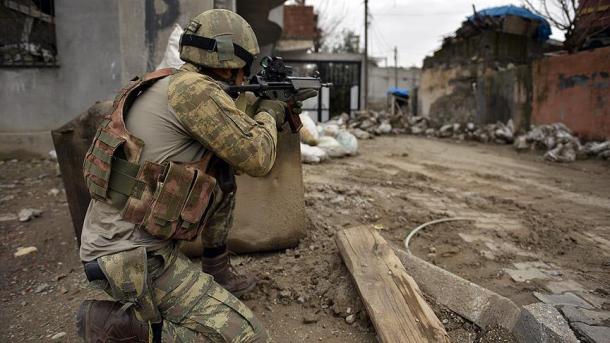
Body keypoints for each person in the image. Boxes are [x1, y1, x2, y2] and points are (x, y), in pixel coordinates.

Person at [76, 9, 316, 342]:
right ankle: (120, 326)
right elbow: (258, 158)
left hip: (120, 241)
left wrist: (263, 104)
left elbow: (231, 145)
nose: (247, 72)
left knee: (221, 173)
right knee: (249, 337)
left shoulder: (173, 82)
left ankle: (217, 271)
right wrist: (271, 110)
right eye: (246, 64)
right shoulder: (195, 92)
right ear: (230, 60)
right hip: (133, 258)